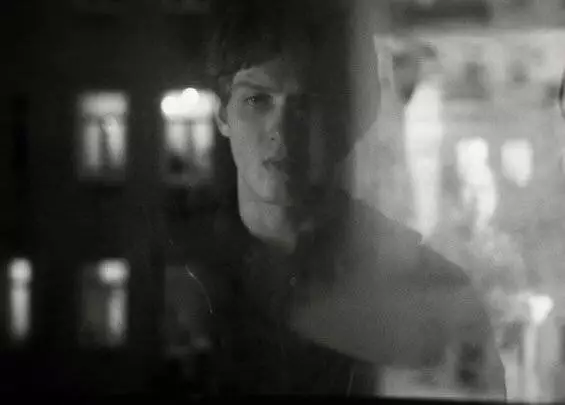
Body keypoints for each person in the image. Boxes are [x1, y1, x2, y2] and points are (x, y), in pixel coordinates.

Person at [193, 0, 506, 397]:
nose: (282, 129)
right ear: (223, 114)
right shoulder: (184, 268)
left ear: (347, 120)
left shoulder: (431, 295)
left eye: (307, 104)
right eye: (257, 100)